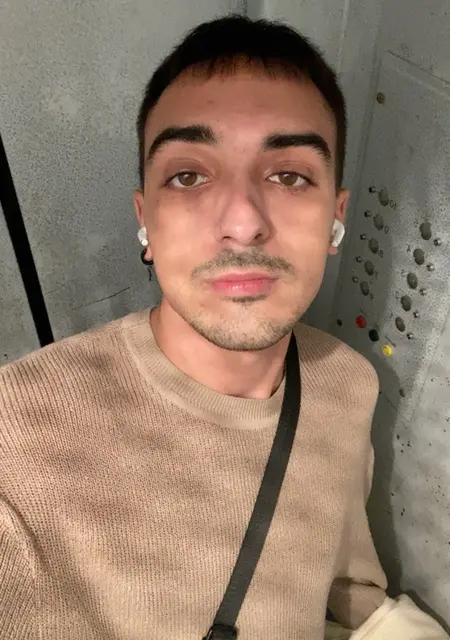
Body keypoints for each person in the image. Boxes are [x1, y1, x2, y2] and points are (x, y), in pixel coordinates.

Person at [0, 14, 448, 640]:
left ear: (336, 217)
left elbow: (341, 587)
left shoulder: (346, 385)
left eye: (290, 175)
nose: (242, 222)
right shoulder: (18, 440)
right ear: (145, 220)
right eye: (188, 175)